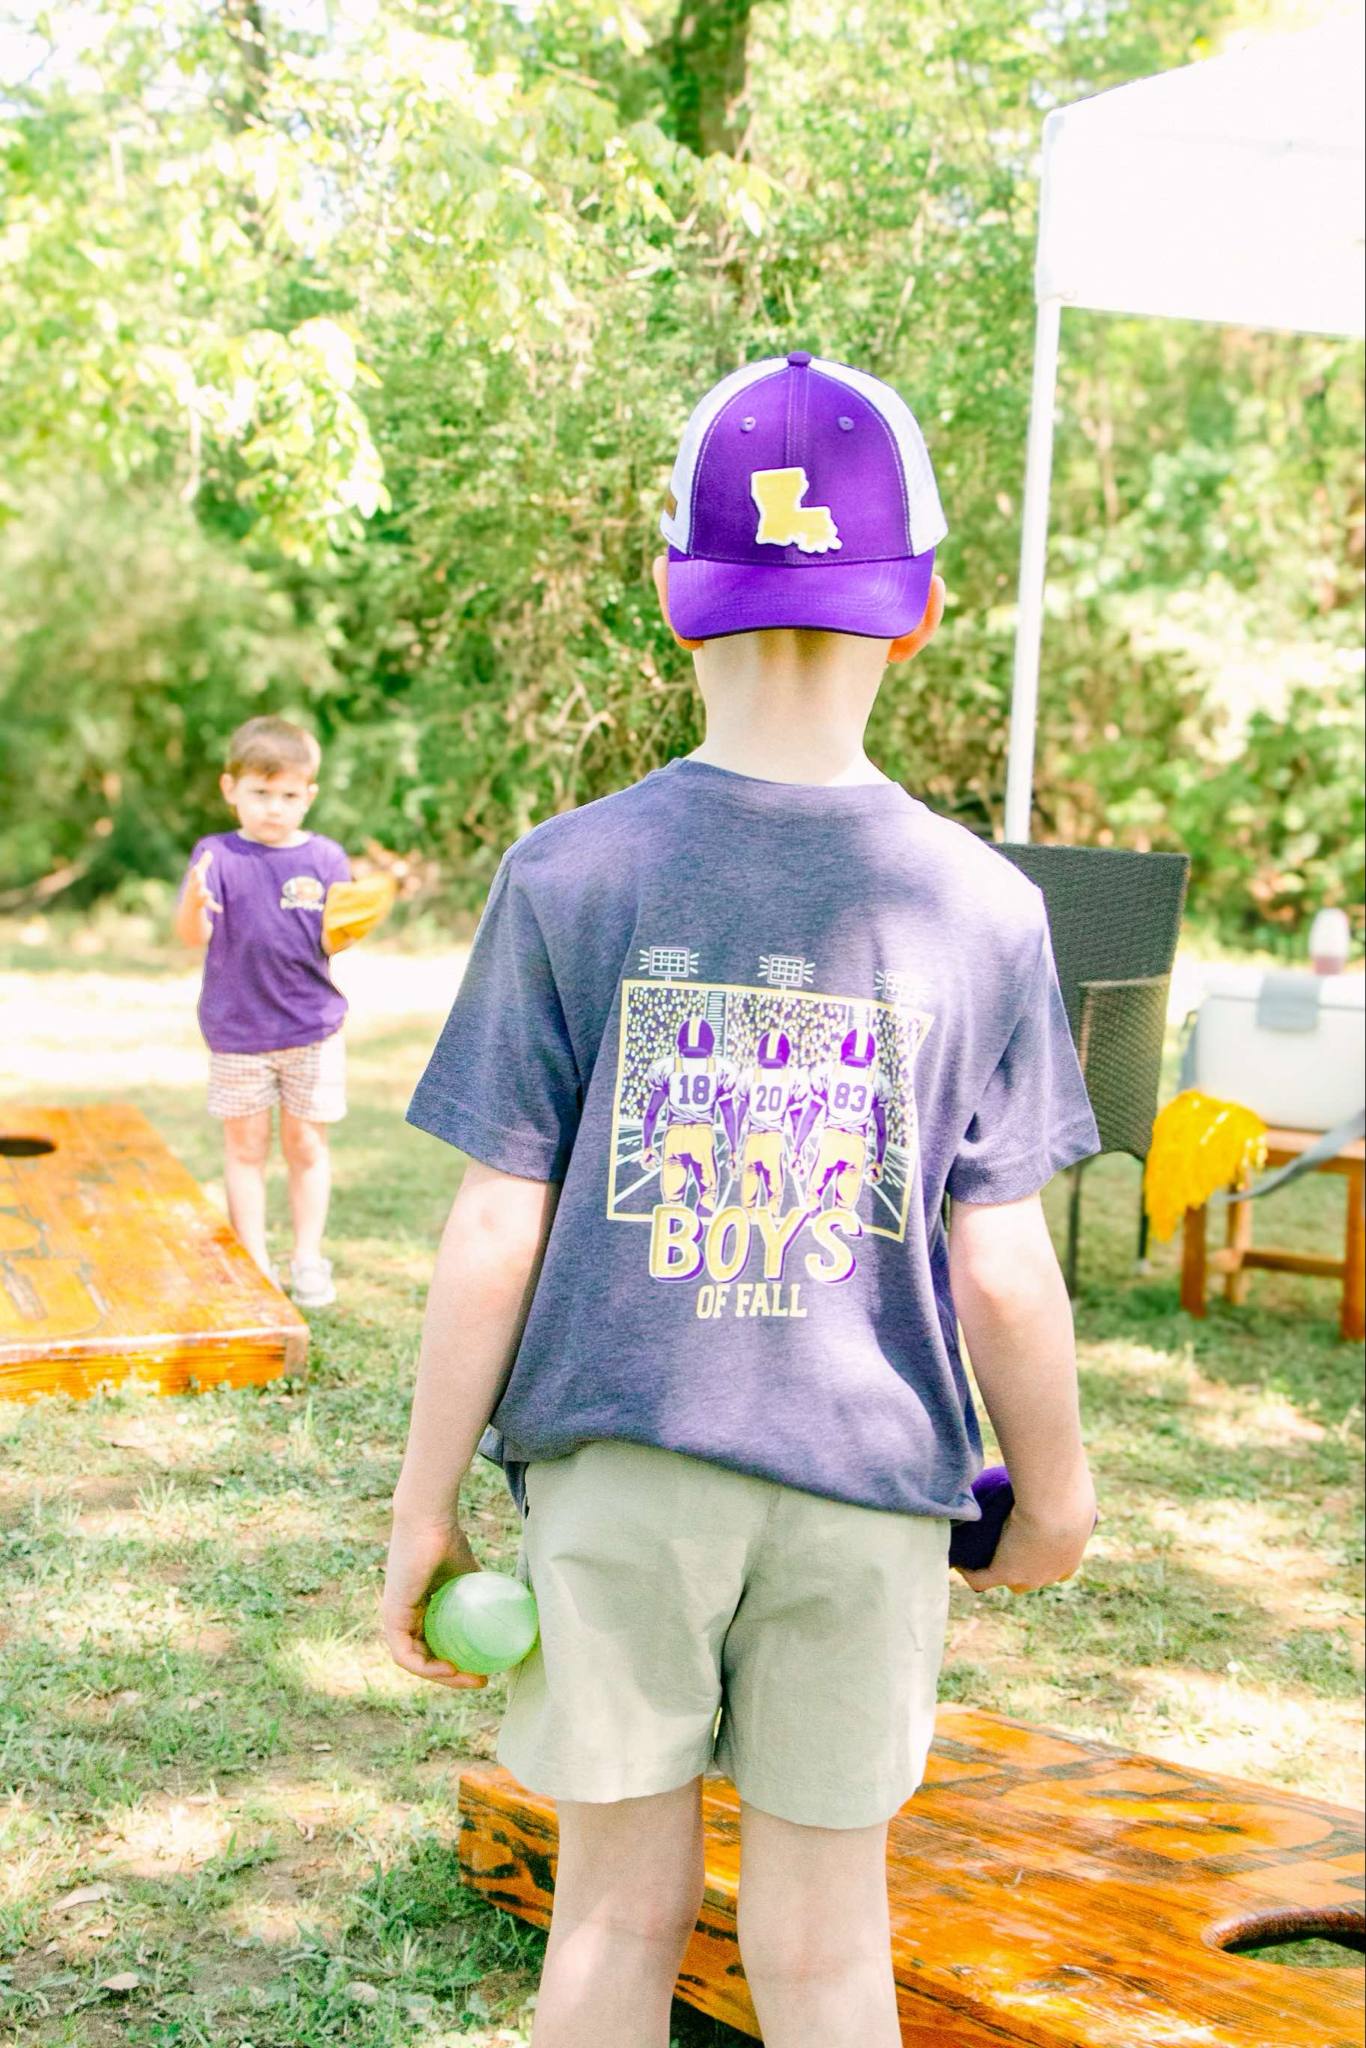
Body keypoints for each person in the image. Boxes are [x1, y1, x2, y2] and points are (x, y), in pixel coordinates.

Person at [383, 352, 1101, 2048]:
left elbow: (494, 1224)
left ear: (670, 596)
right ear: (920, 609)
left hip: (620, 1470)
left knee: (610, 1918)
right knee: (827, 1950)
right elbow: (1000, 1264)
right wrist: (1057, 1488)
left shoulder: (567, 871)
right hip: (867, 1481)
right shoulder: (983, 905)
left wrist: (422, 1502)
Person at [174, 714, 350, 1310]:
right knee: (246, 1149)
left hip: (312, 1029)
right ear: (231, 788)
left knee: (307, 1148)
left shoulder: (326, 858)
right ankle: (252, 1262)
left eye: (289, 796)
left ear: (309, 795)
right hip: (237, 1031)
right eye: (260, 792)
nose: (274, 808)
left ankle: (307, 1258)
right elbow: (193, 936)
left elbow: (334, 938)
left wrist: (359, 920)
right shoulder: (216, 855)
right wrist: (193, 903)